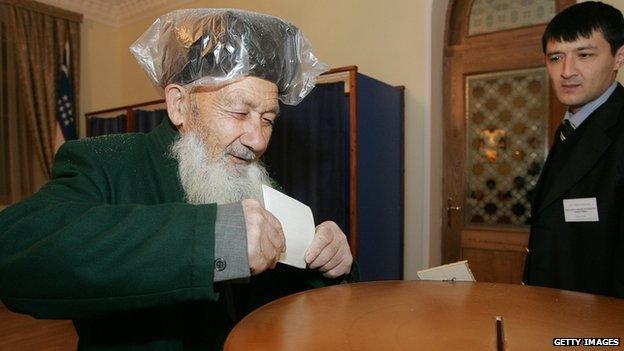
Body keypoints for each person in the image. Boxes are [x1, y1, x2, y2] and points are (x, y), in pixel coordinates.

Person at [0, 9, 353, 350]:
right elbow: (16, 252)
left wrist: (326, 263)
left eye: (267, 119)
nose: (258, 140)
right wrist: (212, 239)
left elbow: (285, 301)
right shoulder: (109, 160)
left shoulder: (255, 184)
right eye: (239, 111)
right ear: (179, 105)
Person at [524, 1, 624, 298]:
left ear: (619, 56)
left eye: (584, 55)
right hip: (553, 310)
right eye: (556, 57)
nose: (567, 71)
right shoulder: (571, 125)